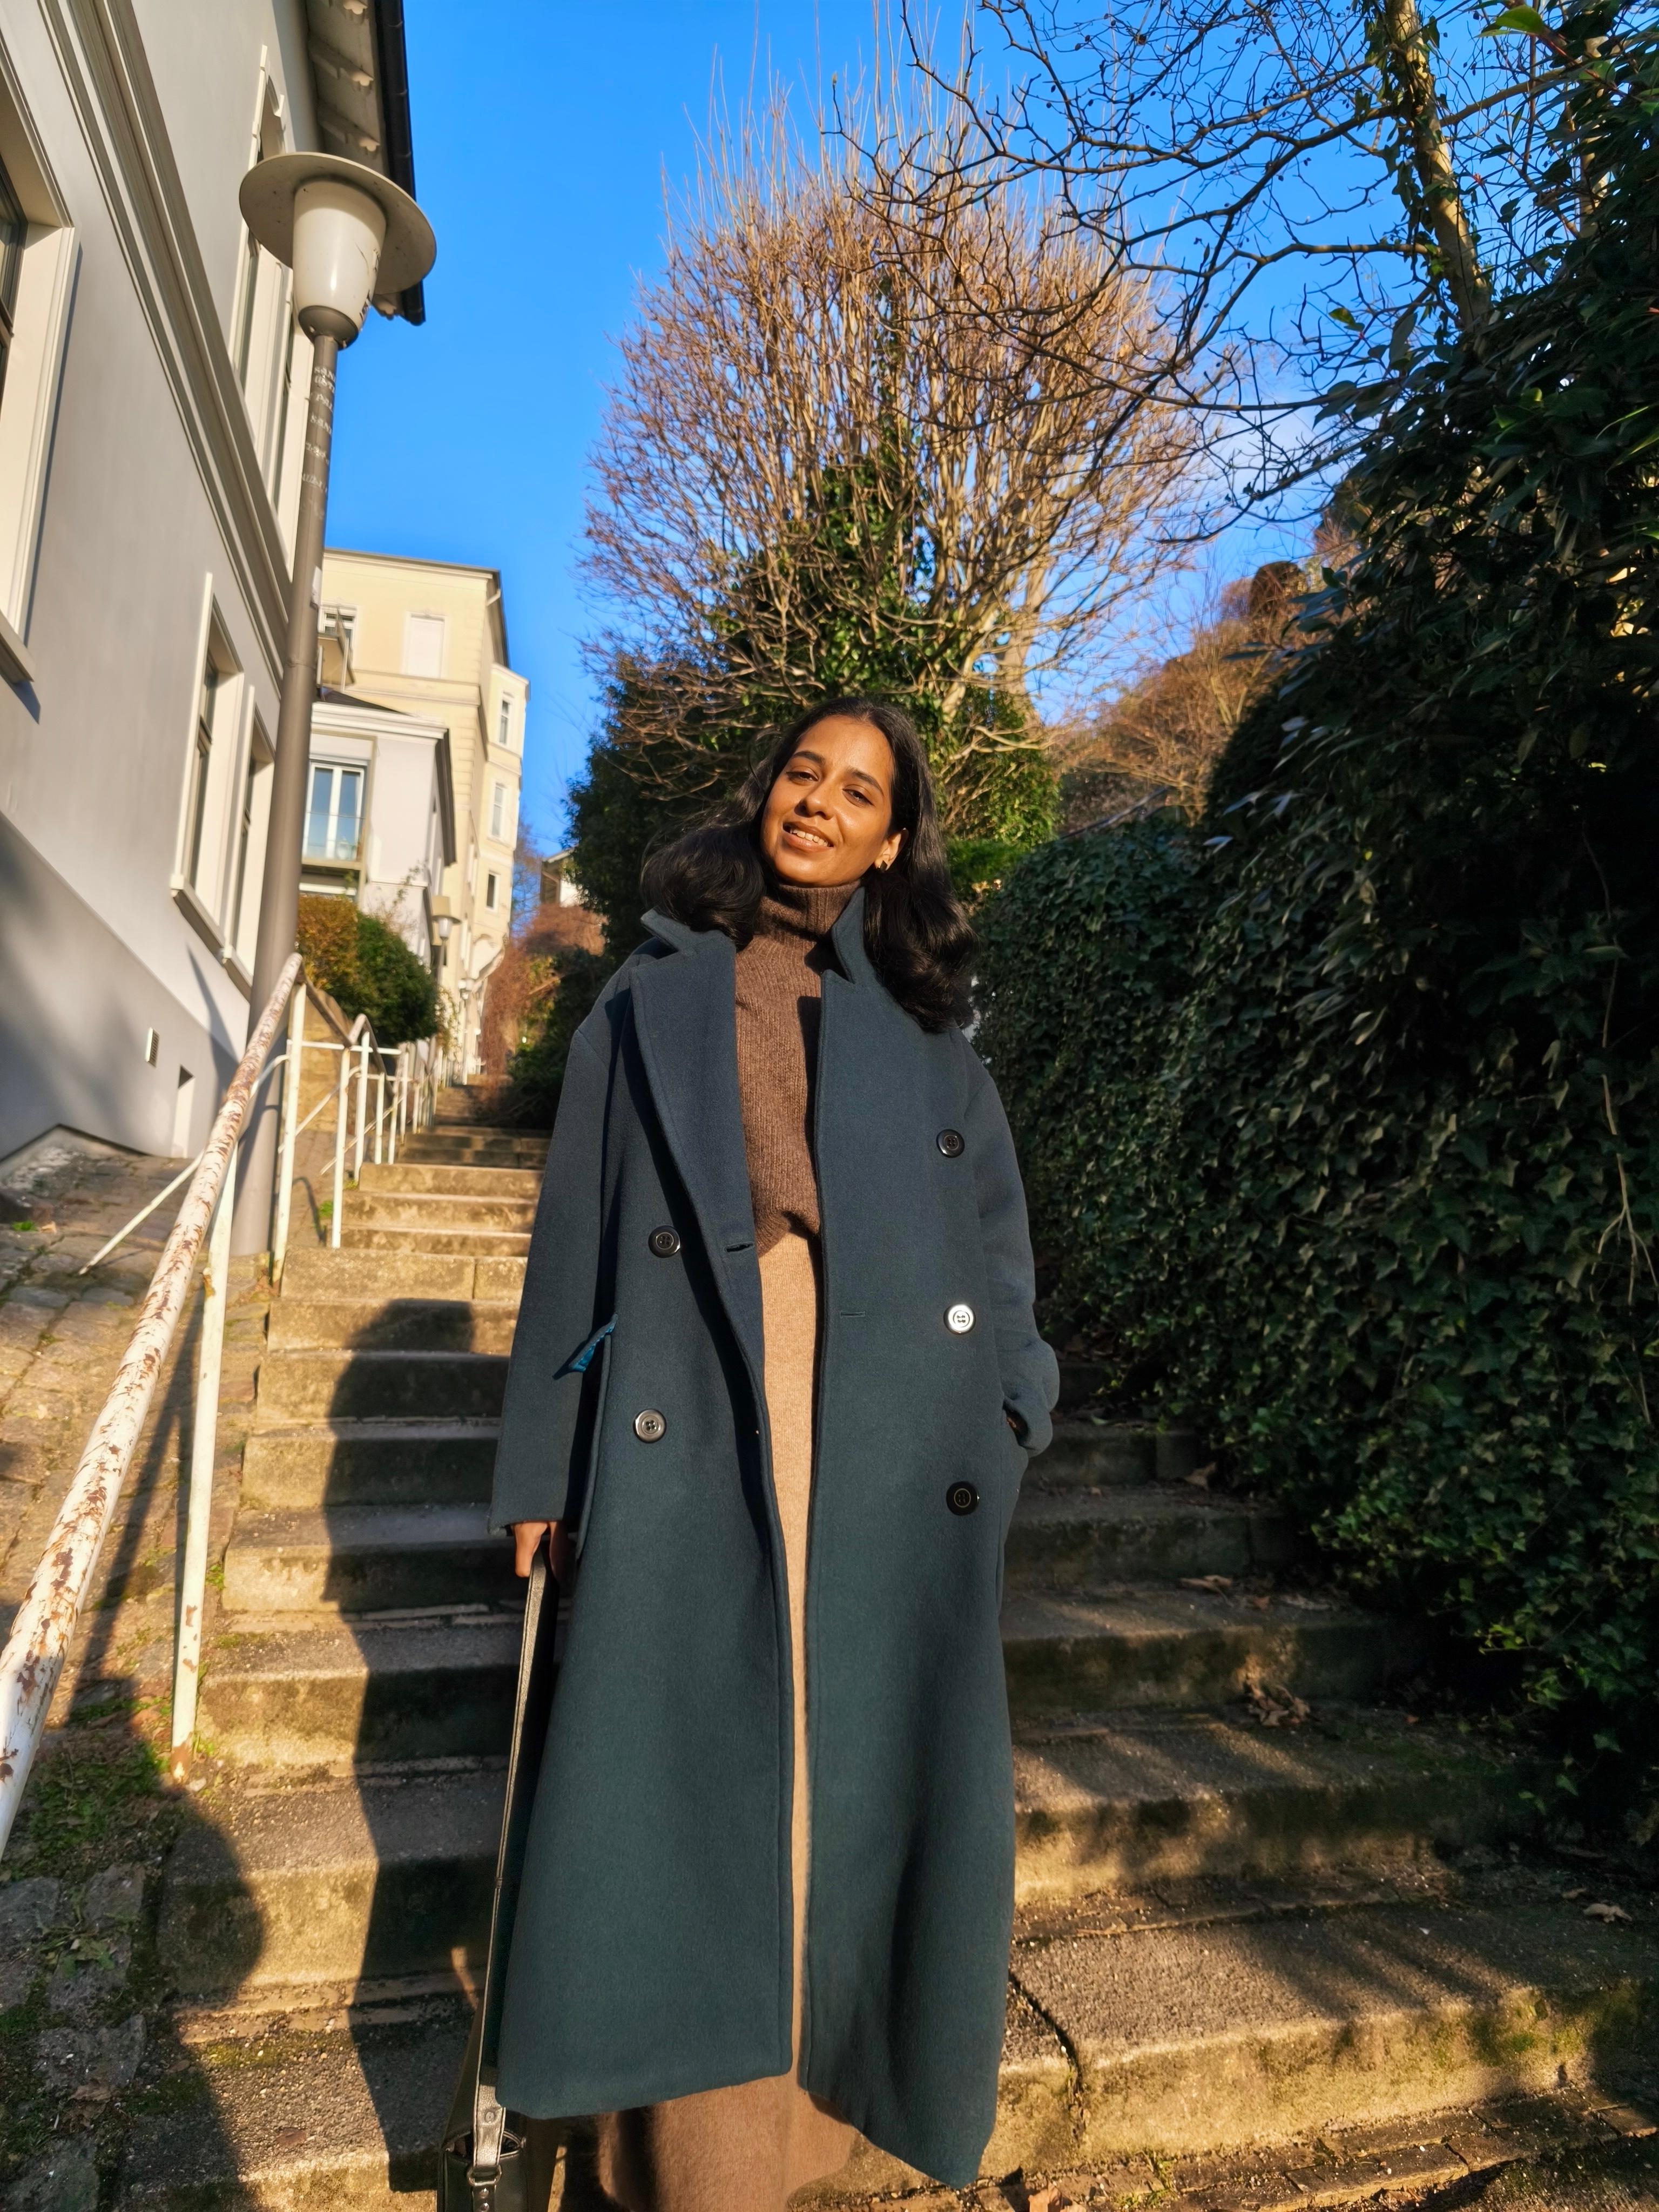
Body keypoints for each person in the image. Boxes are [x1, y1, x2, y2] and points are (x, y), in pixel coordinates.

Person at [490, 695, 1058, 2211]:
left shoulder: (931, 1035)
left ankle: (803, 2134)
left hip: (889, 1421)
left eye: (859, 791)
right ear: (767, 793)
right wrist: (544, 1465)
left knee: (834, 1773)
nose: (820, 802)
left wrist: (1014, 1409)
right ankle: (691, 2162)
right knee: (700, 1775)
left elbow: (1000, 1251)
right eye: (805, 772)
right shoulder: (654, 991)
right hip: (695, 1387)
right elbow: (575, 1237)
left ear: (891, 839)